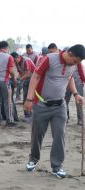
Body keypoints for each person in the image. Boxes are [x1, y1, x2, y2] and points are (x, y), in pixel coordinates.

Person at [25, 44, 85, 178]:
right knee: (37, 134)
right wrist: (29, 99)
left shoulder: (74, 64)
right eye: (75, 61)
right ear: (70, 53)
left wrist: (76, 94)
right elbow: (35, 76)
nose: (75, 65)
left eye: (78, 63)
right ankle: (33, 159)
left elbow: (69, 79)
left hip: (60, 106)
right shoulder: (49, 59)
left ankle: (57, 166)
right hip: (41, 104)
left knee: (60, 135)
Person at [0, 41, 17, 127]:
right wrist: (14, 78)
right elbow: (11, 71)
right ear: (6, 48)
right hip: (4, 80)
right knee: (7, 101)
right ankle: (9, 121)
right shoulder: (9, 57)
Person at [11, 52, 35, 121]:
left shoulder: (26, 60)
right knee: (25, 96)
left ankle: (30, 115)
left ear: (18, 57)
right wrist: (17, 79)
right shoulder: (17, 63)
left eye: (14, 61)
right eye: (13, 61)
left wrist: (19, 80)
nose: (14, 62)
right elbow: (20, 73)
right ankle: (27, 114)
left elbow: (27, 74)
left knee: (29, 97)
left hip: (32, 79)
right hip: (26, 79)